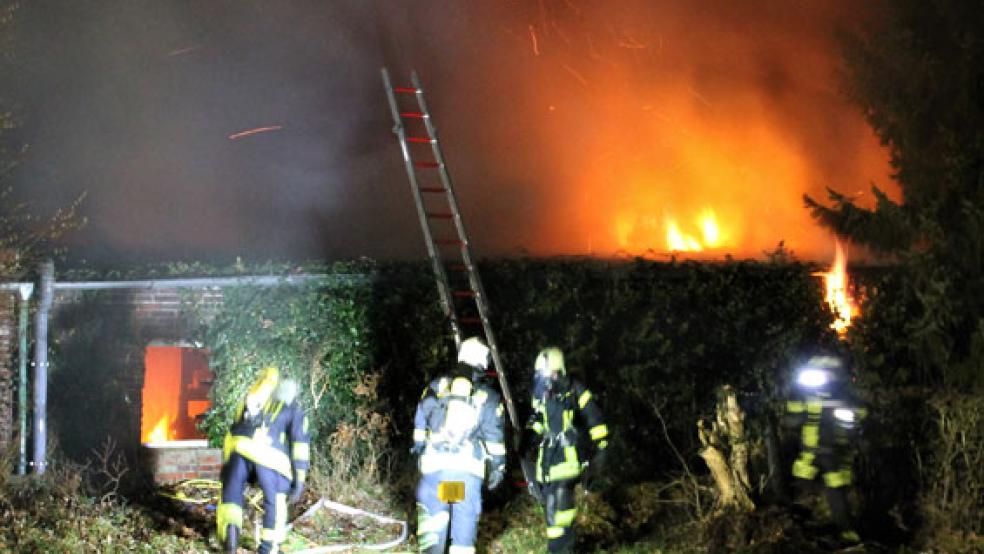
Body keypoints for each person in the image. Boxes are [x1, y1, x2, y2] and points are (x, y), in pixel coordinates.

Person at [412, 336, 506, 554]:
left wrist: (418, 450)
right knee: (462, 539)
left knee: (433, 533)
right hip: (465, 473)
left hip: (435, 471)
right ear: (484, 361)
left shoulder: (436, 386)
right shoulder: (488, 396)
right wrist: (497, 469)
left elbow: (419, 425)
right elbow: (495, 440)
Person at [522, 347, 608, 554]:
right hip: (548, 461)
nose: (543, 377)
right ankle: (557, 549)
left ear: (556, 369)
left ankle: (563, 548)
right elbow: (541, 420)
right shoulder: (542, 393)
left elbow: (594, 418)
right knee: (551, 512)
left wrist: (601, 447)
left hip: (568, 458)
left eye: (546, 372)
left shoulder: (574, 389)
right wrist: (529, 436)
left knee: (562, 509)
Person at [217, 367, 311, 554]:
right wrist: (299, 479)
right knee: (275, 498)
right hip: (269, 455)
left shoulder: (251, 401)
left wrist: (228, 464)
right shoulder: (293, 409)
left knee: (231, 495)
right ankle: (269, 547)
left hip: (237, 448)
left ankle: (230, 537)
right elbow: (300, 446)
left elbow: (234, 429)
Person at [785, 353, 866, 545]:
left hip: (834, 453)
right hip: (809, 452)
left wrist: (849, 418)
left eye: (827, 373)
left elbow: (859, 415)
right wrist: (794, 414)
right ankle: (797, 529)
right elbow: (791, 417)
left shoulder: (844, 394)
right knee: (799, 487)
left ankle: (846, 532)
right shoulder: (804, 394)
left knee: (836, 493)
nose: (823, 376)